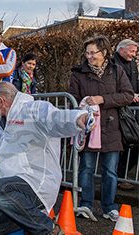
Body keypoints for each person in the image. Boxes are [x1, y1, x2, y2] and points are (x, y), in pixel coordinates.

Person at [0, 82, 89, 234]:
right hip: (7, 190)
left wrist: (78, 118)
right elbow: (6, 155)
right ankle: (26, 224)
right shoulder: (3, 122)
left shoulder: (32, 109)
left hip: (33, 182)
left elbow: (55, 117)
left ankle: (49, 229)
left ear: (1, 100)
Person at [69, 35, 134, 222]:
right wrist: (81, 108)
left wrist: (102, 99)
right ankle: (85, 204)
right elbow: (73, 98)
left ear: (104, 52)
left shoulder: (117, 71)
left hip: (112, 128)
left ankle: (109, 206)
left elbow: (128, 95)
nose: (89, 56)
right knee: (86, 168)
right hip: (89, 129)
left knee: (110, 171)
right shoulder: (78, 73)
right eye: (87, 53)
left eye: (93, 52)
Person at [112, 39, 139, 191]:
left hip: (132, 108)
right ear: (121, 49)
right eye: (131, 51)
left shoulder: (133, 64)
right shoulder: (113, 64)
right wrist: (129, 95)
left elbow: (135, 81)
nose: (133, 55)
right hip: (120, 109)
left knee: (133, 143)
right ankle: (118, 177)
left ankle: (121, 176)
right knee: (124, 144)